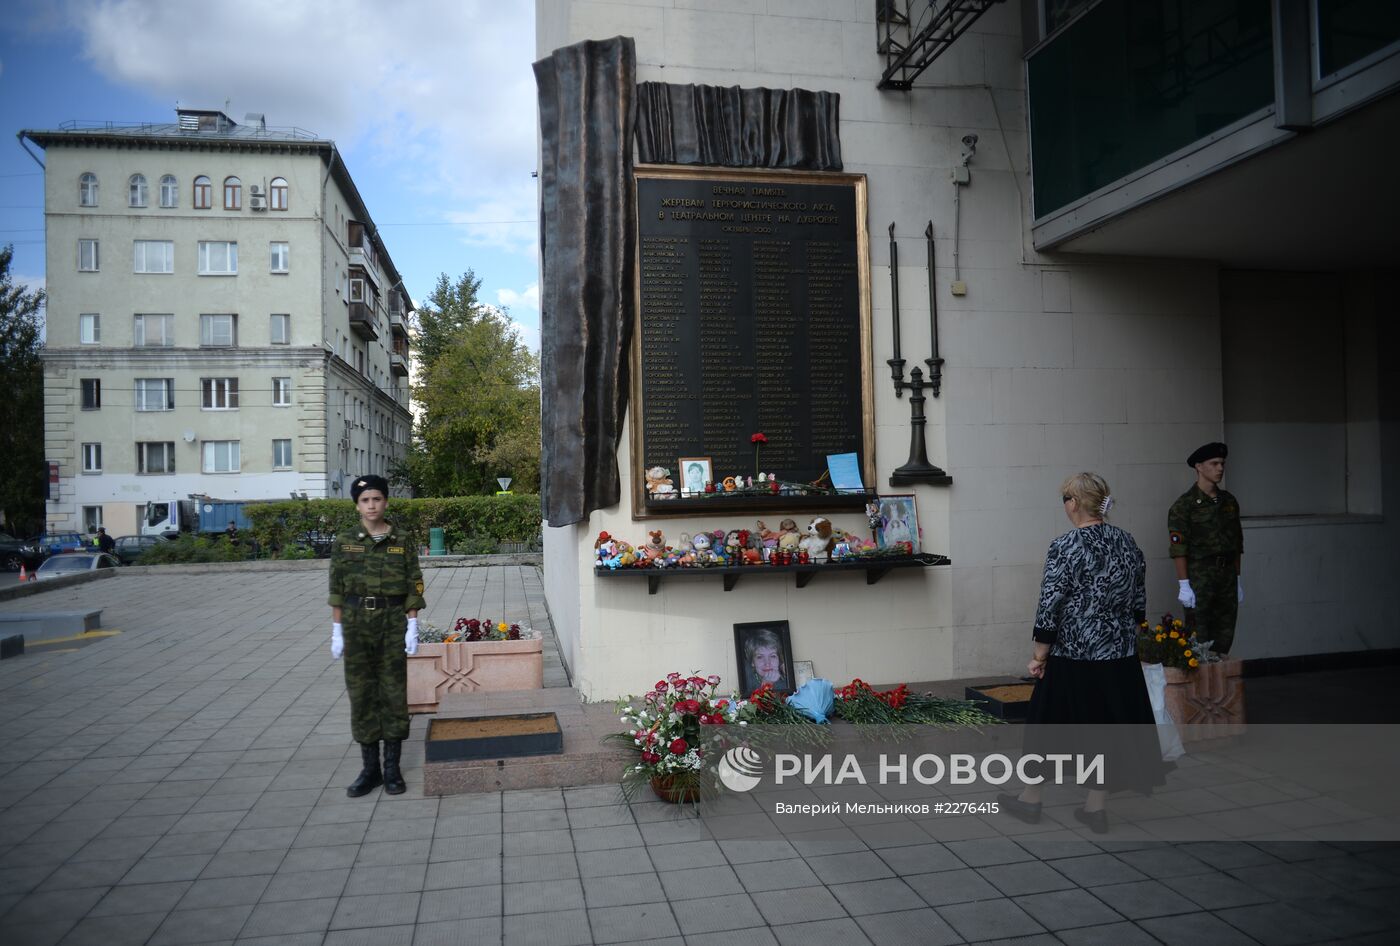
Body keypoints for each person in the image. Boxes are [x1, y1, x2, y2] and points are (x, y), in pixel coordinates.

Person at [998, 472, 1162, 834]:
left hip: (1075, 654)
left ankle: (1031, 799)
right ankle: (1095, 808)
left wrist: (1039, 656)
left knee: (1047, 726)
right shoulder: (1127, 541)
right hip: (1118, 655)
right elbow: (1138, 600)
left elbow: (1050, 604)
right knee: (1105, 729)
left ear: (1073, 503)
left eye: (1064, 500)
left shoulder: (1066, 546)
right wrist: (1125, 636)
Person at [328, 475, 426, 797]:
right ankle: (369, 770)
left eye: (376, 499)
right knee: (361, 694)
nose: (371, 505)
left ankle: (392, 769)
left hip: (391, 622)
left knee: (393, 692)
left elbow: (414, 582)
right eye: (364, 500)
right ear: (357, 505)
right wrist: (337, 629)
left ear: (386, 501)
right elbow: (337, 589)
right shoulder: (345, 541)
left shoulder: (402, 539)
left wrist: (413, 624)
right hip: (356, 625)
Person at [1169, 442, 1244, 655]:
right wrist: (1184, 584)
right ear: (1199, 467)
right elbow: (1178, 548)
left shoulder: (1229, 502)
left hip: (1227, 575)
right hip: (1200, 576)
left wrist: (1238, 578)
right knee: (1198, 638)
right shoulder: (1184, 506)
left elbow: (1237, 543)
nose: (1220, 468)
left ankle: (1219, 684)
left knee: (1224, 636)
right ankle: (1201, 686)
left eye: (1222, 463)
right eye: (1214, 463)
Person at [744, 627, 789, 693]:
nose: (767, 663)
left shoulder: (787, 679)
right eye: (760, 657)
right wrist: (766, 685)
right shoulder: (746, 681)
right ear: (752, 662)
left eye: (772, 656)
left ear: (779, 659)